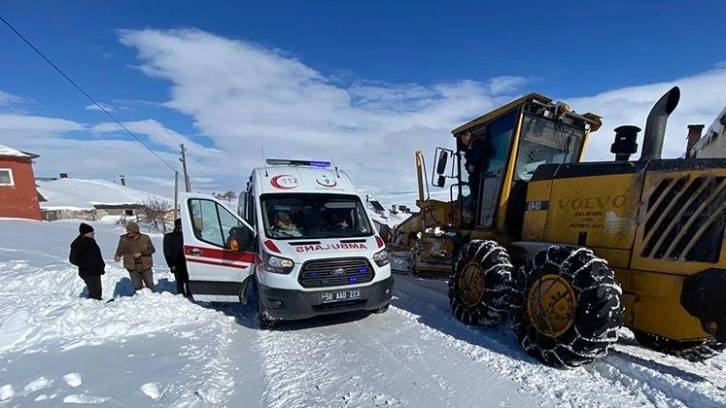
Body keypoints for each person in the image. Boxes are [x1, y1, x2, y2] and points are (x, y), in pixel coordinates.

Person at [114, 221, 156, 292]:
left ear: (135, 231)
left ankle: (153, 299)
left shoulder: (145, 238)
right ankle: (139, 300)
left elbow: (152, 249)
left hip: (145, 265)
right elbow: (120, 249)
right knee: (137, 286)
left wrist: (141, 253)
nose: (128, 232)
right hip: (132, 266)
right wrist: (118, 255)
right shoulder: (124, 239)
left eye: (129, 230)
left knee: (150, 285)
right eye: (127, 230)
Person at [69, 223, 105, 300]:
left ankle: (98, 304)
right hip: (88, 272)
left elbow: (97, 254)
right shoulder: (78, 243)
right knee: (95, 291)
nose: (93, 233)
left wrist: (101, 266)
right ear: (85, 233)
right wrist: (87, 266)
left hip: (95, 270)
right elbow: (73, 259)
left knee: (97, 290)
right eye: (91, 232)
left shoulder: (91, 240)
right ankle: (94, 307)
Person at [458, 130, 485, 216]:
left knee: (475, 195)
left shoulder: (476, 143)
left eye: (463, 139)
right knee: (472, 196)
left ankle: (476, 214)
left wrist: (472, 164)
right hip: (478, 174)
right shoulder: (472, 145)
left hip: (477, 175)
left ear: (467, 136)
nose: (463, 142)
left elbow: (478, 153)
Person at [163, 218, 190, 297]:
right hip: (176, 263)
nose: (182, 229)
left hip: (188, 262)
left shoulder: (189, 236)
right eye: (180, 227)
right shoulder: (169, 237)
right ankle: (181, 295)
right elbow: (167, 252)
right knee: (179, 281)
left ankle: (189, 295)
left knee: (189, 280)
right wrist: (171, 264)